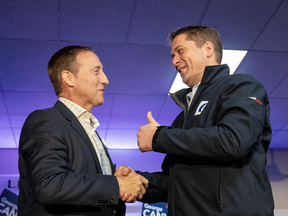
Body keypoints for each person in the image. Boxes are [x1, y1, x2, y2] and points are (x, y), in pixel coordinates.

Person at [133, 26, 274, 215]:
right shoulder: (182, 118)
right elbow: (175, 182)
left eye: (180, 51)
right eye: (172, 56)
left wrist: (159, 137)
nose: (175, 61)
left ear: (208, 48)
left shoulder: (242, 86)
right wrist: (139, 182)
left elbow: (233, 141)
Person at [18, 46, 148, 216]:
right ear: (69, 78)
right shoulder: (45, 120)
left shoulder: (90, 130)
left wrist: (118, 180)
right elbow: (49, 185)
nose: (105, 79)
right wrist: (116, 185)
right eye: (96, 71)